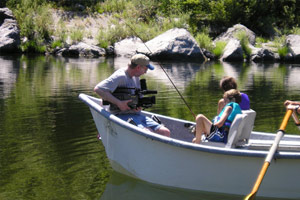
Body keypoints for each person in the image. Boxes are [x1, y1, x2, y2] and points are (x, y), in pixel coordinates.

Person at [94, 54, 170, 137]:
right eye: (145, 69)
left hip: (136, 114)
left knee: (165, 132)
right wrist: (119, 103)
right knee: (148, 132)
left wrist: (138, 106)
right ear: (138, 67)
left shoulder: (136, 77)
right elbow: (98, 89)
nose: (146, 72)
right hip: (120, 115)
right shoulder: (120, 76)